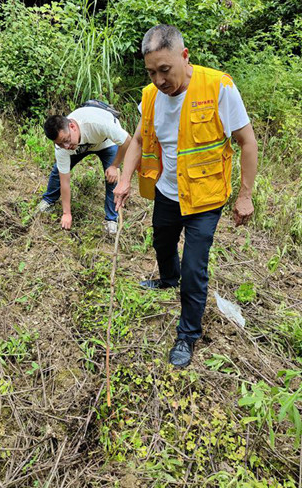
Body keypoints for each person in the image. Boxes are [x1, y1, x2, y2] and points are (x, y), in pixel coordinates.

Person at [114, 25, 258, 368]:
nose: (159, 80)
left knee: (195, 269)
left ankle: (188, 334)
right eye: (151, 72)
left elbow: (247, 142)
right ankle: (167, 278)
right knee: (162, 242)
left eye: (165, 70)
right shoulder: (150, 96)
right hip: (167, 192)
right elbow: (137, 140)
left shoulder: (218, 86)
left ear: (184, 56)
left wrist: (245, 196)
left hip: (205, 200)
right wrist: (124, 179)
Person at [37, 105, 131, 235]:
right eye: (60, 144)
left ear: (72, 127)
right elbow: (65, 181)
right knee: (57, 171)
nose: (66, 146)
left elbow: (127, 140)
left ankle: (111, 219)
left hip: (106, 142)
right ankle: (49, 200)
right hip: (82, 146)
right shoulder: (63, 147)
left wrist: (114, 166)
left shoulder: (97, 123)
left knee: (111, 178)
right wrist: (66, 213)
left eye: (66, 140)